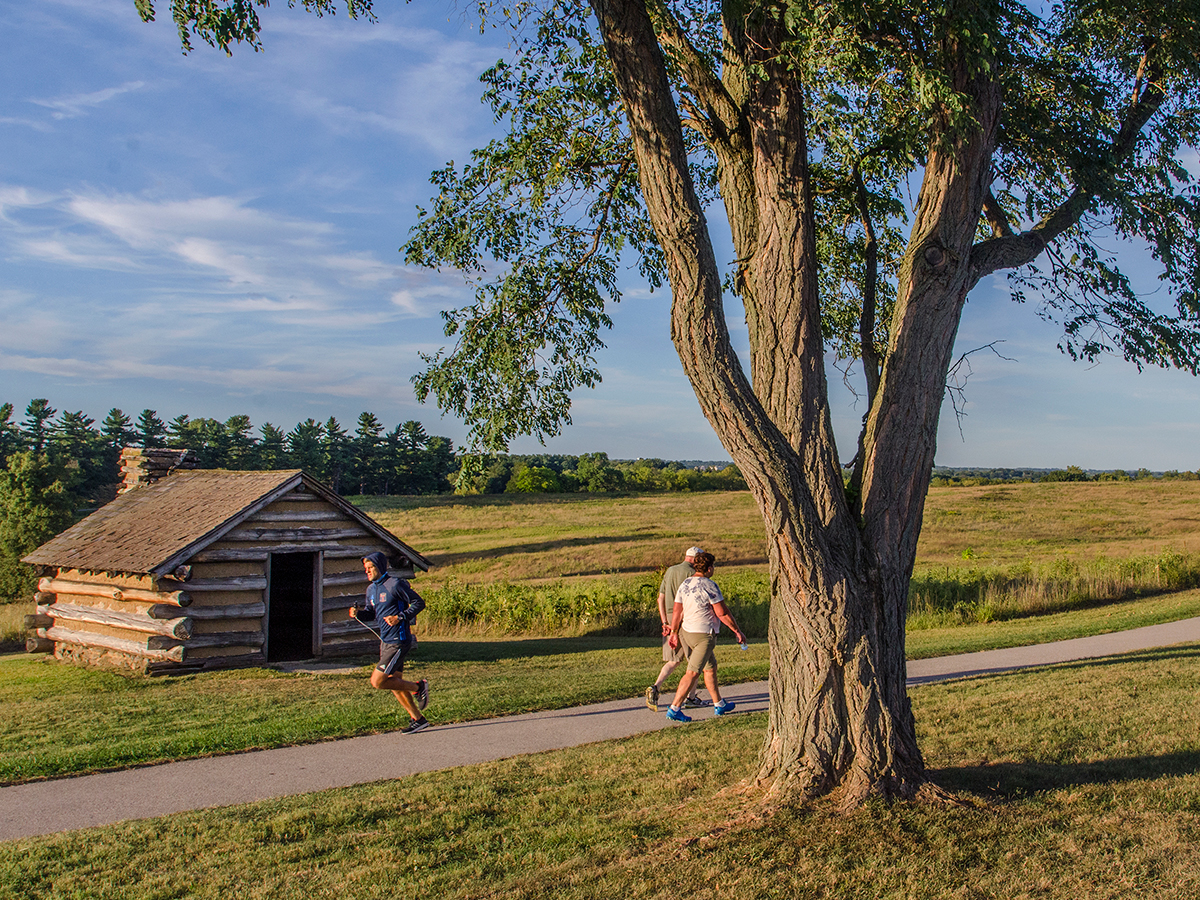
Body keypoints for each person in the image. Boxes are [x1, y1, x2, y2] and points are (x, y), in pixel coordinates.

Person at [350, 551, 430, 734]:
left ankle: (418, 687)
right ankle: (418, 720)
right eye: (366, 569)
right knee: (394, 683)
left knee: (378, 682)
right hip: (385, 641)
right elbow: (371, 613)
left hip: (399, 640)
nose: (367, 572)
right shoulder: (371, 589)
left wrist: (400, 617)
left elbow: (419, 603)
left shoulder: (395, 584)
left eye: (370, 568)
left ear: (379, 567)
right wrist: (358, 614)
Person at [664, 551, 746, 723]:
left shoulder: (685, 584)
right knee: (693, 672)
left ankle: (719, 704)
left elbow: (677, 611)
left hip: (687, 632)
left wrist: (673, 632)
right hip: (704, 635)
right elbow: (722, 613)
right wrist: (737, 630)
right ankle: (675, 708)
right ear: (709, 568)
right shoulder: (710, 585)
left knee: (710, 667)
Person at [645, 546, 708, 711]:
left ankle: (656, 687)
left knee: (673, 660)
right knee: (694, 662)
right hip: (685, 621)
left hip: (669, 621)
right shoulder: (692, 574)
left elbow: (660, 598)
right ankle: (691, 697)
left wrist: (665, 622)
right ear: (696, 559)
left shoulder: (670, 571)